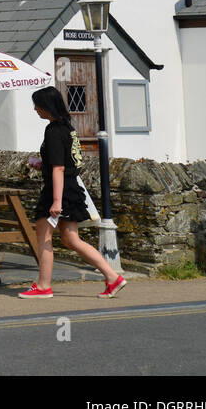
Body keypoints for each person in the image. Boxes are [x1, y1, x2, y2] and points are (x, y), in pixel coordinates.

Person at [20, 87, 126, 299]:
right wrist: (42, 163)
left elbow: (59, 168)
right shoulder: (67, 128)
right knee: (71, 239)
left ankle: (43, 286)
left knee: (44, 237)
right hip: (71, 188)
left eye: (37, 105)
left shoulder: (53, 131)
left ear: (47, 106)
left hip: (57, 191)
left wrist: (56, 201)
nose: (35, 109)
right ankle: (113, 277)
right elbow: (65, 162)